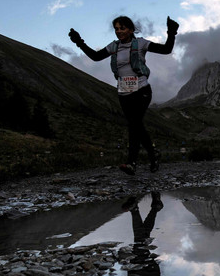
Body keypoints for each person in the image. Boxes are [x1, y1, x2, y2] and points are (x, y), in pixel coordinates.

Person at [69, 16, 179, 175]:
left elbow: (166, 50)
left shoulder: (141, 43)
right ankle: (153, 155)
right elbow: (96, 56)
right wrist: (79, 42)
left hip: (142, 90)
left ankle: (132, 162)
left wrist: (172, 33)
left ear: (131, 30)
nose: (119, 31)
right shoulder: (114, 46)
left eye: (122, 28)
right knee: (136, 124)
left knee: (134, 124)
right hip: (123, 92)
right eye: (116, 29)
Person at [120, 191, 164, 275]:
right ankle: (137, 210)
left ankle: (155, 207)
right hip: (144, 265)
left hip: (142, 264)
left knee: (141, 240)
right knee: (140, 242)